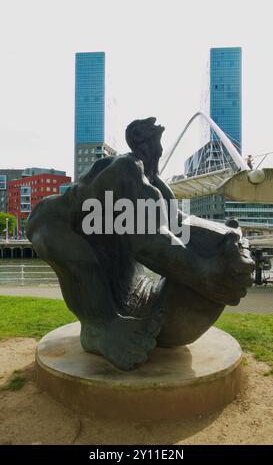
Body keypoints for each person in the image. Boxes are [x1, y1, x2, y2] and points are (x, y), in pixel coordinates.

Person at [27, 118, 254, 370]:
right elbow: (148, 243)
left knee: (113, 249)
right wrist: (205, 273)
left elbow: (179, 222)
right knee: (75, 253)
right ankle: (98, 327)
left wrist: (225, 237)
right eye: (152, 142)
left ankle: (121, 307)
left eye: (158, 144)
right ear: (136, 141)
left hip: (99, 239)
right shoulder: (124, 170)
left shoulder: (154, 182)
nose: (158, 151)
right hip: (50, 223)